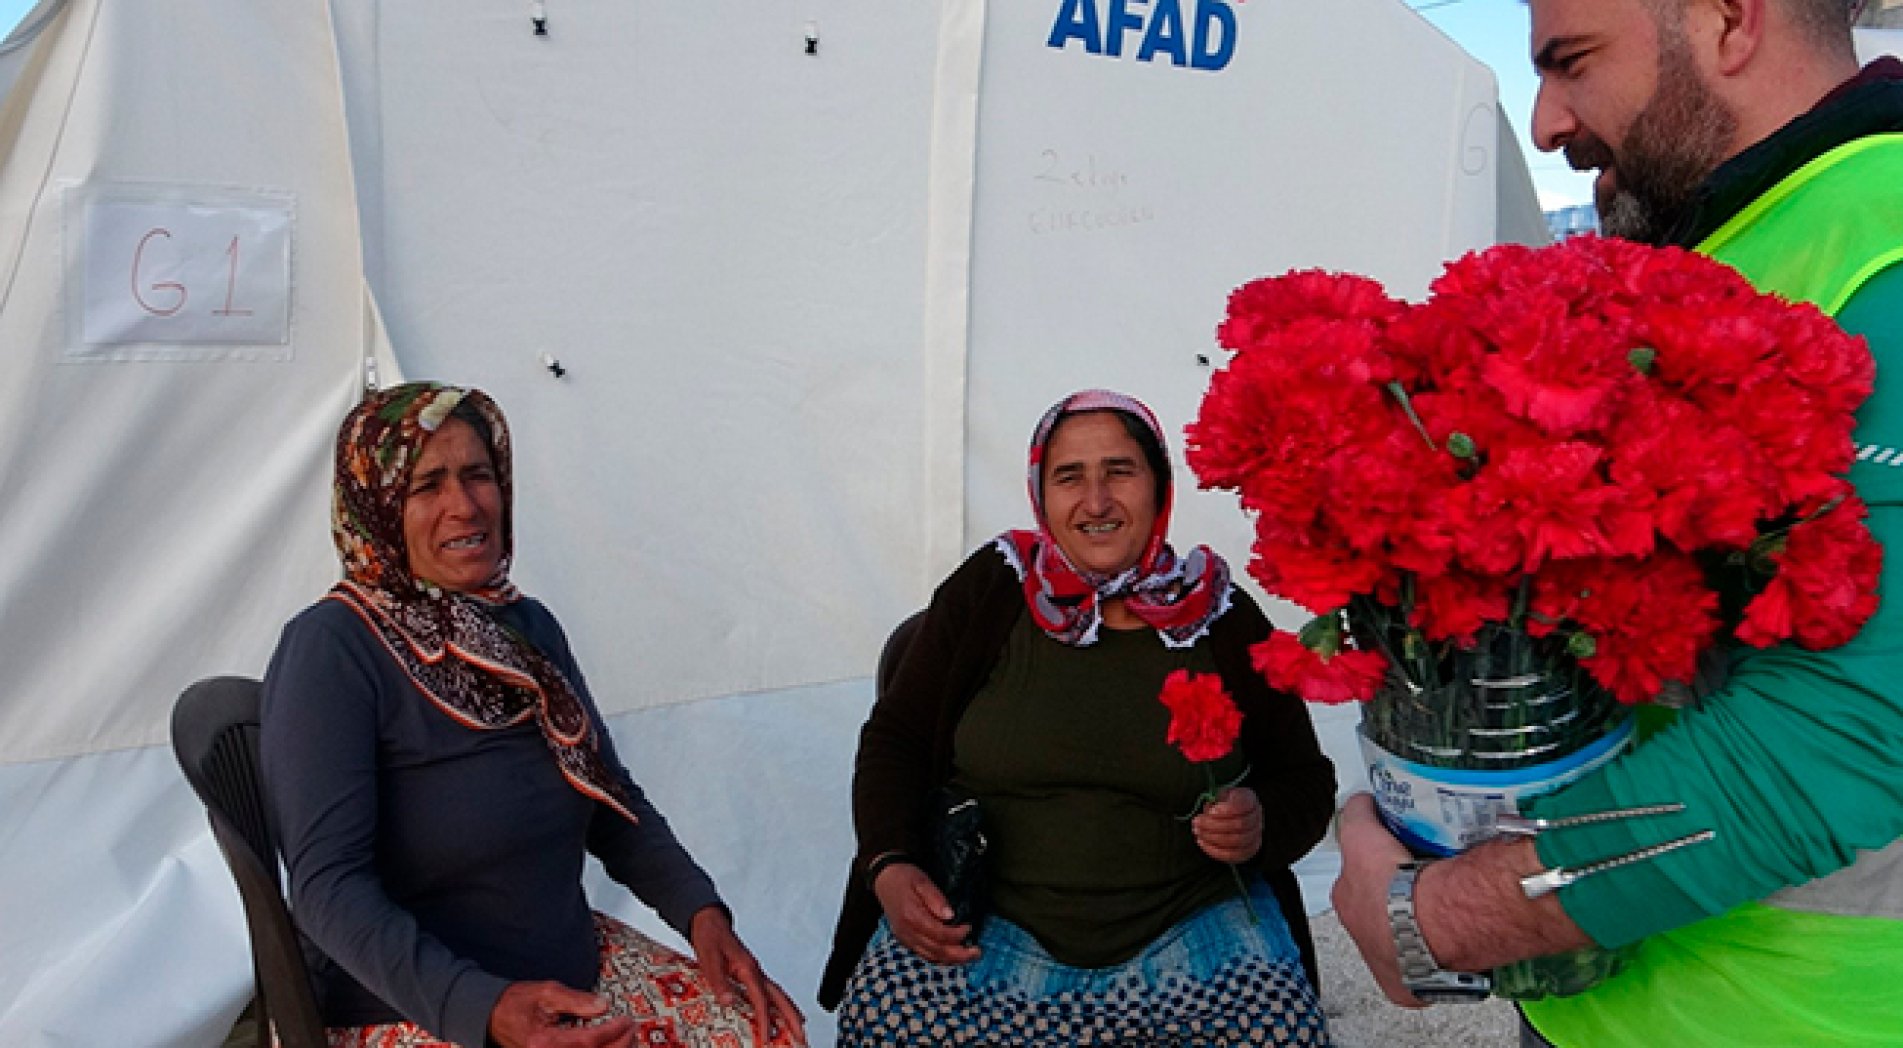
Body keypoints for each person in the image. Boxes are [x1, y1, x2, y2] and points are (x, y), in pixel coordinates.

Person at [1332, 1, 1903, 1044]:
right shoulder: (1721, 240)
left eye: (1571, 62)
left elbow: (1854, 731)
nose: (1544, 122)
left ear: (1729, 21)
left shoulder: (1885, 242)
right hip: (1609, 1005)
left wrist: (1440, 919)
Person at [261, 383, 806, 1048]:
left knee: (764, 1035)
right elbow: (327, 888)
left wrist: (701, 914)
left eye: (478, 475)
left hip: (566, 971)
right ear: (375, 507)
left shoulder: (525, 629)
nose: (465, 505)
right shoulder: (333, 647)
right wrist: (483, 1007)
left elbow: (609, 797)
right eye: (427, 485)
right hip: (415, 1005)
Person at [818, 390, 1337, 1046]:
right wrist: (889, 865)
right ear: (1041, 492)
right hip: (987, 926)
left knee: (1277, 1031)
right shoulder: (990, 592)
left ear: (1159, 487)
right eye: (1070, 477)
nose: (1095, 502)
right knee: (884, 1019)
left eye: (1119, 471)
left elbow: (1304, 779)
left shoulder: (1219, 615)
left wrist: (1259, 820)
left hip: (1191, 925)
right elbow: (895, 738)